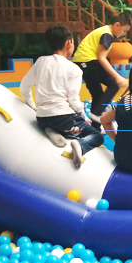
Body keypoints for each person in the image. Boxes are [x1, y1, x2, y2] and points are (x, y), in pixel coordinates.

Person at [20, 26, 104, 170]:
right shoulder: (74, 69)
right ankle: (80, 145)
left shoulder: (41, 61)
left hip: (42, 118)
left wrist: (33, 106)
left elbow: (24, 87)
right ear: (69, 43)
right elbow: (73, 100)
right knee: (97, 136)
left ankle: (51, 130)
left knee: (58, 122)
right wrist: (84, 117)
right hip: (64, 119)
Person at [73, 13, 132, 131]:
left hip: (82, 62)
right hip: (87, 61)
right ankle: (97, 114)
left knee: (98, 94)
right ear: (117, 25)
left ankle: (95, 128)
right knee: (114, 84)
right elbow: (101, 58)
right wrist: (118, 77)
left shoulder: (104, 31)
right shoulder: (107, 35)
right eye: (124, 30)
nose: (124, 34)